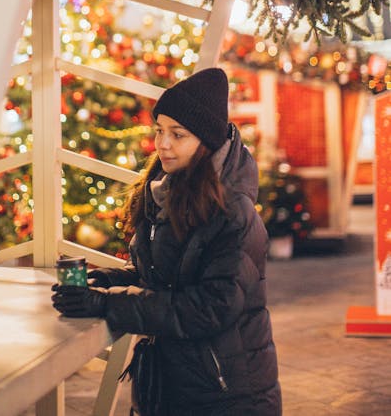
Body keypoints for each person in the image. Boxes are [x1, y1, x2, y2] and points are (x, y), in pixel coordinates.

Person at [52, 67, 282, 415]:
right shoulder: (164, 190)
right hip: (174, 384)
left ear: (206, 142)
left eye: (178, 134)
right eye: (160, 130)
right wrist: (104, 282)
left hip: (225, 394)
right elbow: (161, 276)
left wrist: (106, 305)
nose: (163, 144)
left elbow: (209, 308)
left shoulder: (233, 211)